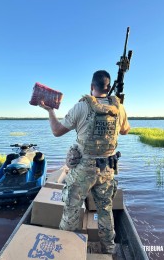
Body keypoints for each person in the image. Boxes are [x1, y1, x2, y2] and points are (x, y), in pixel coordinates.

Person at [39, 70, 130, 255]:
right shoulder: (118, 107)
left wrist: (50, 111)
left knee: (71, 209)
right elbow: (125, 131)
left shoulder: (82, 106)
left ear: (91, 87)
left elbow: (56, 131)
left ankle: (66, 251)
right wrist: (120, 108)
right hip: (107, 170)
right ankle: (109, 249)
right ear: (108, 86)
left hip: (83, 170)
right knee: (105, 209)